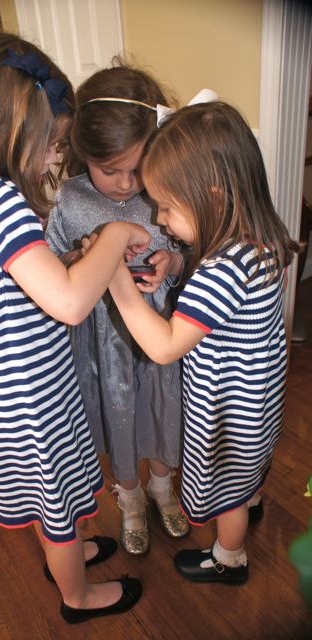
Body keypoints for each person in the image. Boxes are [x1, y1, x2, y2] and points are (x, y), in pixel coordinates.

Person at [0, 28, 149, 624]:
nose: (56, 159)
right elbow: (70, 304)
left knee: (44, 494)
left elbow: (22, 283)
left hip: (2, 393)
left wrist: (75, 259)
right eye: (51, 146)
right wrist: (112, 236)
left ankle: (66, 556)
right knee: (55, 501)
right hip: (26, 398)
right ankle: (78, 595)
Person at [106, 100, 299, 584]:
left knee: (225, 492)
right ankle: (251, 499)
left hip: (229, 415)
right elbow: (225, 302)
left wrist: (117, 282)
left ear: (212, 197)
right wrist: (176, 264)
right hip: (258, 402)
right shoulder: (258, 239)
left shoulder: (221, 269)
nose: (160, 219)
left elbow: (166, 345)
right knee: (248, 472)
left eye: (167, 207)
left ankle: (229, 558)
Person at [45, 61, 190, 556]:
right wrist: (81, 257)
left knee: (166, 410)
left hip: (163, 333)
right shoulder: (70, 199)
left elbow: (192, 250)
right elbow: (52, 264)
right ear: (85, 153)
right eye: (111, 171)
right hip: (101, 345)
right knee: (120, 414)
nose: (127, 184)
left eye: (137, 168)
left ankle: (163, 489)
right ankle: (130, 499)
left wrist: (174, 263)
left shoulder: (166, 193)